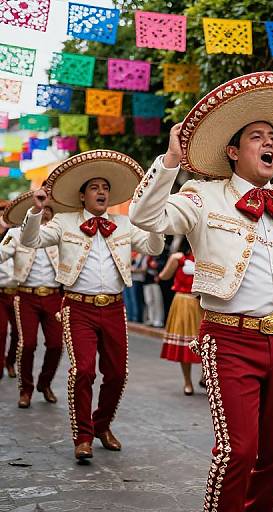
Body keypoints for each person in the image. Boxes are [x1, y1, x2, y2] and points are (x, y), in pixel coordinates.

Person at [129, 71, 273, 512]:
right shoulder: (201, 196)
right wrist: (169, 162)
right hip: (229, 338)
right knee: (237, 451)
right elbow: (147, 219)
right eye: (256, 135)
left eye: (272, 135)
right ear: (234, 151)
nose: (267, 141)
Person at [20, 149, 164, 461]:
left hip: (114, 307)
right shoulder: (64, 222)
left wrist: (153, 218)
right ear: (83, 195)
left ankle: (102, 425)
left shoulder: (125, 224)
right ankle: (82, 436)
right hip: (77, 307)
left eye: (105, 188)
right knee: (83, 371)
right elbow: (30, 241)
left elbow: (154, 246)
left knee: (117, 374)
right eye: (95, 188)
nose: (101, 192)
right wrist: (36, 211)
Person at [0, 190, 75, 407]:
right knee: (27, 344)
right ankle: (26, 390)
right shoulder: (16, 234)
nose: (44, 214)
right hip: (25, 296)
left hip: (54, 296)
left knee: (56, 345)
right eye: (41, 210)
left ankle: (45, 383)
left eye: (48, 210)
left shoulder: (61, 235)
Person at [159, 238, 202, 395]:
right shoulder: (178, 258)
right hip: (184, 301)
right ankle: (188, 382)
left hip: (203, 303)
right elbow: (164, 276)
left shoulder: (207, 257)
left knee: (207, 342)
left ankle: (205, 376)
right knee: (185, 342)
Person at [0, 199, 18, 380]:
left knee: (19, 333)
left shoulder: (17, 235)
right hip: (0, 293)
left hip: (17, 293)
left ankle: (10, 361)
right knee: (1, 332)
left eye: (6, 211)